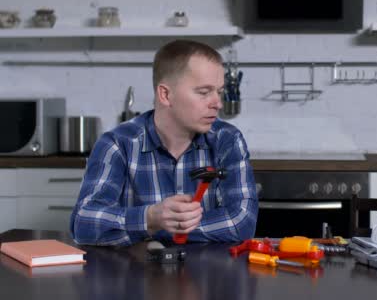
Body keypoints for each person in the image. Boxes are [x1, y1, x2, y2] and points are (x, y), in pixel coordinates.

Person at [70, 40, 258, 246]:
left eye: (219, 92)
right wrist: (150, 217)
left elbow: (242, 223)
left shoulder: (227, 140)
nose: (217, 103)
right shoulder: (117, 144)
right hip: (135, 276)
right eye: (204, 92)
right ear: (166, 95)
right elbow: (83, 224)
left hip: (206, 275)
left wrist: (155, 229)